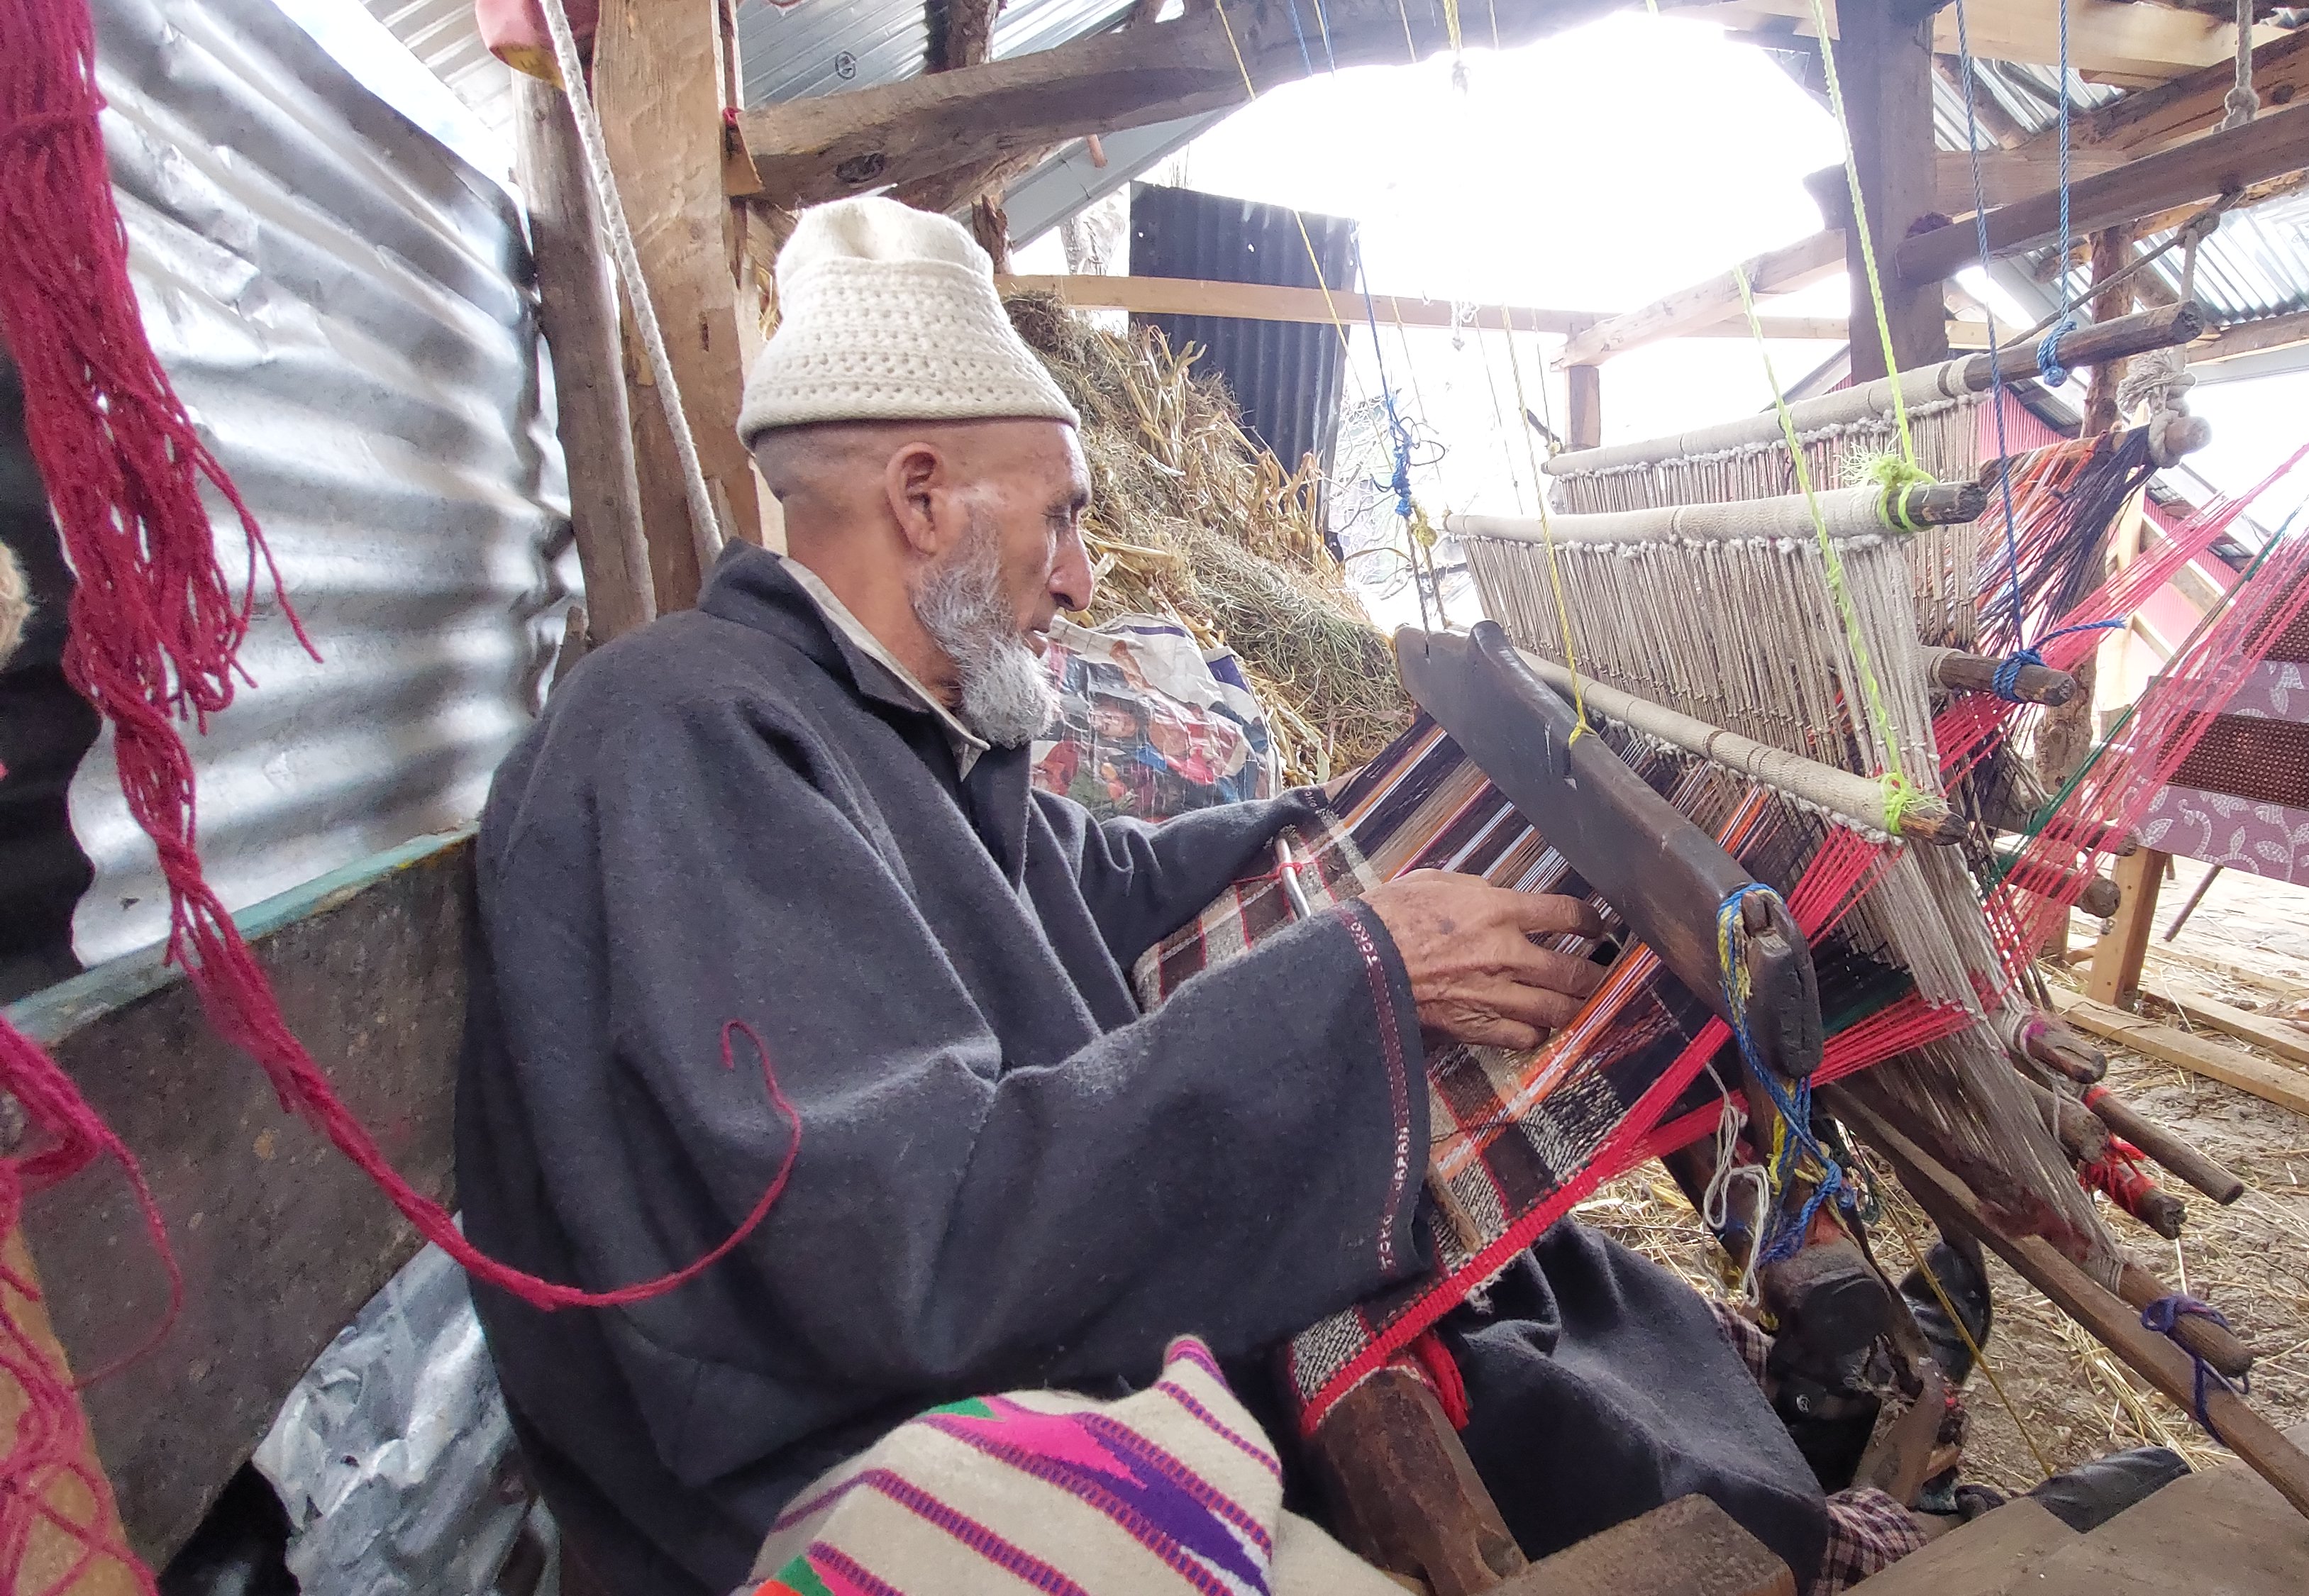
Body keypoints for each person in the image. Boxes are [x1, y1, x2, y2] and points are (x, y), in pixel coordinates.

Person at [458, 197, 2195, 1596]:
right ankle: (1778, 1526)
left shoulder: (871, 731)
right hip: (825, 1450)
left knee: (1505, 1270)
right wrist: (1365, 965)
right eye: (1060, 521)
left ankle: (1779, 1493)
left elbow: (1103, 886)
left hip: (947, 1331)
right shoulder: (692, 745)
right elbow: (898, 1249)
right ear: (922, 496)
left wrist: (1373, 824)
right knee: (1370, 1303)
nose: (1077, 576)